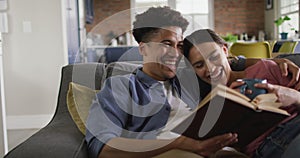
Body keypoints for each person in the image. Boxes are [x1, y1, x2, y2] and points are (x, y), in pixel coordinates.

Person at [85, 7, 238, 158]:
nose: (176, 53)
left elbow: (232, 63)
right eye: (167, 44)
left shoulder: (191, 78)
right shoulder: (121, 86)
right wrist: (177, 143)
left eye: (179, 46)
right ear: (144, 49)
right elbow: (103, 147)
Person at [183, 29, 300, 157]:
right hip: (272, 144)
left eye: (214, 57)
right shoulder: (207, 104)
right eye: (199, 65)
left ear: (225, 51)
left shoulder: (266, 68)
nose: (210, 68)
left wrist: (292, 96)